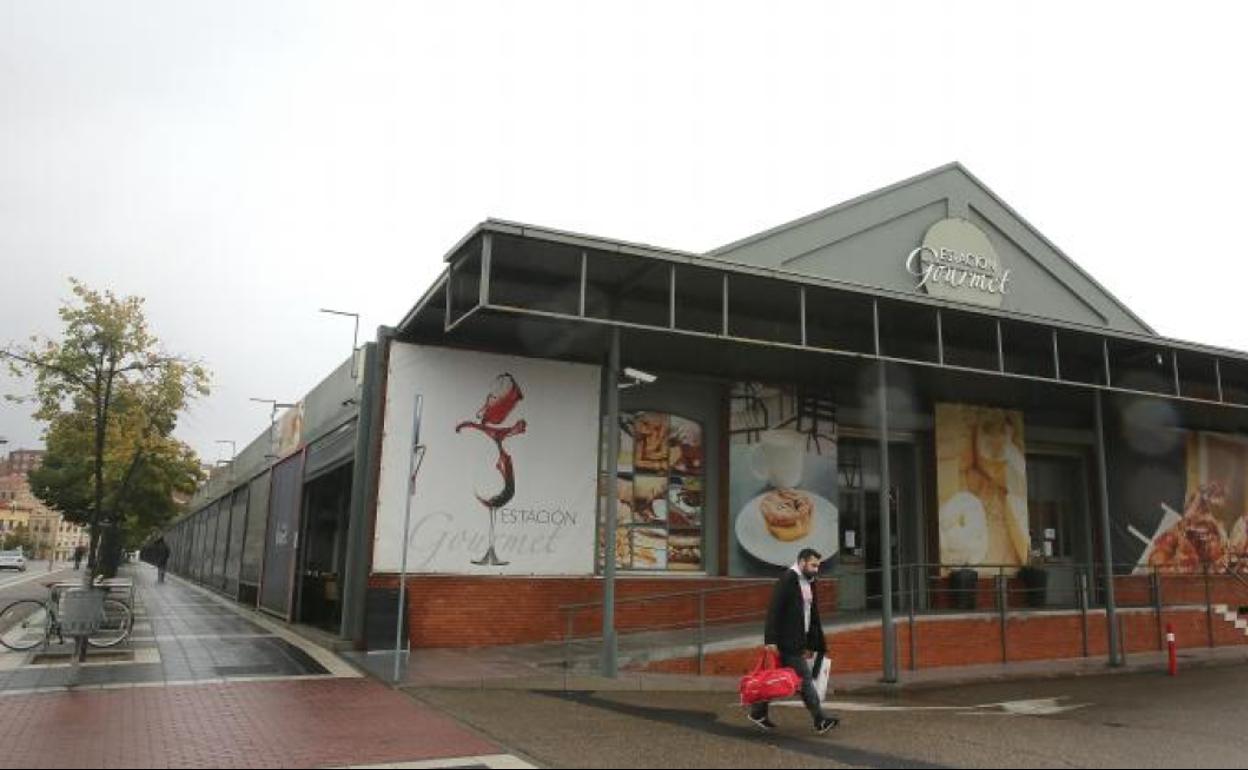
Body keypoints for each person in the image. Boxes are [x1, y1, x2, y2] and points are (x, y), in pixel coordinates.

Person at [748, 547, 838, 735]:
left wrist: (812, 643)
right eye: (813, 565)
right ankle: (820, 720)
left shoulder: (809, 581)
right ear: (802, 562)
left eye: (818, 566)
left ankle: (758, 713)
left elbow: (811, 614)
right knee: (805, 680)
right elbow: (774, 610)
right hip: (786, 641)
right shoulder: (788, 579)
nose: (816, 569)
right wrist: (770, 640)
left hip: (798, 640)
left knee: (774, 678)